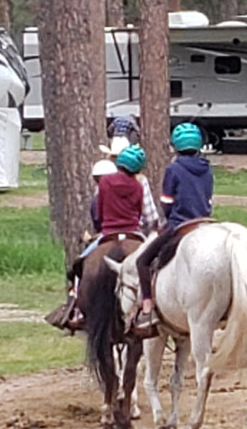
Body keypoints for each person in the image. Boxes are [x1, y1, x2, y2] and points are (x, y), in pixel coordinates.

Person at [133, 122, 214, 332]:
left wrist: (169, 218)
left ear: (175, 146)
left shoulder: (173, 169)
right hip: (204, 223)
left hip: (180, 224)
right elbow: (209, 200)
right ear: (199, 146)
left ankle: (148, 306)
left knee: (142, 261)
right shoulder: (207, 169)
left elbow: (167, 202)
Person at [61, 145, 148, 331]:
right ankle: (151, 304)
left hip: (107, 233)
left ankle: (76, 308)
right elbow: (139, 212)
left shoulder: (105, 183)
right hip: (134, 232)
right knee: (152, 263)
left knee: (79, 264)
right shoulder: (138, 186)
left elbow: (99, 211)